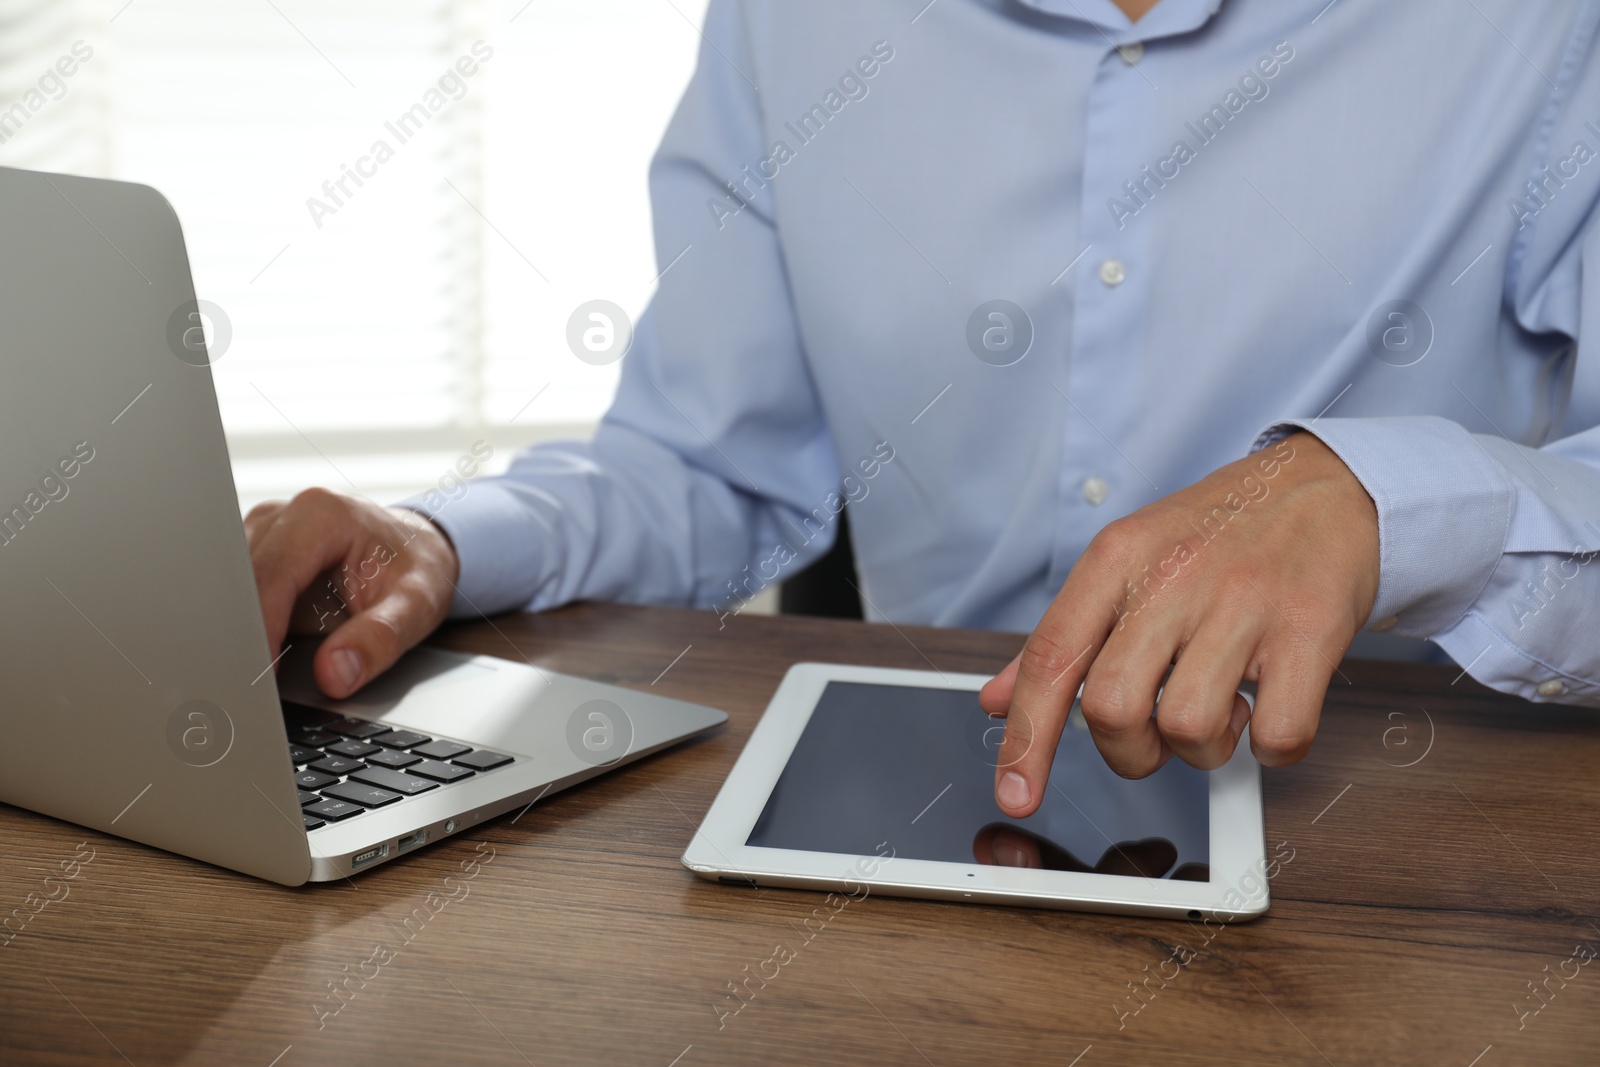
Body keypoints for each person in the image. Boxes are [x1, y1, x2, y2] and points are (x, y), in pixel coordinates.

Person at [245, 0, 1600, 822]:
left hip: (1377, 843)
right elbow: (711, 464)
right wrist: (446, 537)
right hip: (919, 822)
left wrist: (1385, 499)